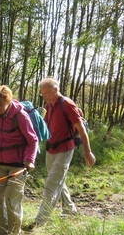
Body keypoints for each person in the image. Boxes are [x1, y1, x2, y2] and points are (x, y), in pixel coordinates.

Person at [0, 86, 38, 235]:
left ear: (8, 101)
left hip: (17, 165)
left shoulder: (20, 116)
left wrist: (30, 160)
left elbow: (33, 140)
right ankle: (1, 233)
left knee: (12, 199)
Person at [34, 78, 95, 226]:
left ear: (55, 90)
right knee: (58, 181)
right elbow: (46, 125)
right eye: (42, 94)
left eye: (46, 93)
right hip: (51, 149)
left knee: (51, 184)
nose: (44, 97)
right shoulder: (49, 105)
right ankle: (69, 210)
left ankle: (40, 222)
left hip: (65, 149)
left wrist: (88, 152)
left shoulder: (67, 104)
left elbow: (81, 130)